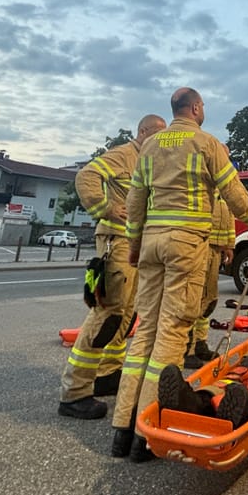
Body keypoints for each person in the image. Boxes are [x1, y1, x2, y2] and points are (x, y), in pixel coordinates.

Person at [110, 87, 248, 463]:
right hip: (185, 245)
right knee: (171, 334)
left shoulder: (149, 146)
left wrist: (134, 243)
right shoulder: (206, 143)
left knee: (144, 335)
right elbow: (234, 194)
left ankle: (122, 428)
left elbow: (136, 201)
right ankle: (145, 435)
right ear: (197, 108)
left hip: (150, 243)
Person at [59, 114, 167, 420]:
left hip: (133, 244)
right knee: (106, 313)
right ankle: (75, 392)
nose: (160, 142)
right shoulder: (123, 154)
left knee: (126, 312)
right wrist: (105, 208)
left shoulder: (147, 161)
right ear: (143, 131)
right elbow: (86, 177)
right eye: (156, 135)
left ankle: (107, 374)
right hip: (115, 242)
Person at [185, 194, 235, 369]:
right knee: (194, 299)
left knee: (208, 300)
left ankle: (200, 343)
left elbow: (229, 216)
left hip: (216, 248)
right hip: (201, 245)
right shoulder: (203, 186)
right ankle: (187, 350)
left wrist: (229, 244)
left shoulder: (221, 192)